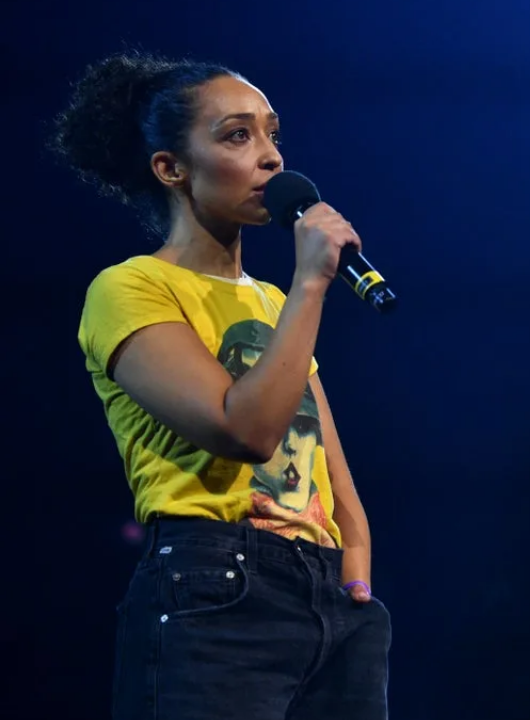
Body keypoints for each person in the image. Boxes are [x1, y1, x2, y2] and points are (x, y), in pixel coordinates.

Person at [52, 51, 391, 719]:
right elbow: (246, 431)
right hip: (216, 587)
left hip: (327, 595)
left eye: (272, 134)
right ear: (171, 168)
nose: (271, 158)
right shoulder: (131, 287)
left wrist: (354, 577)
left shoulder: (273, 301)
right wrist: (312, 283)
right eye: (238, 136)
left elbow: (328, 466)